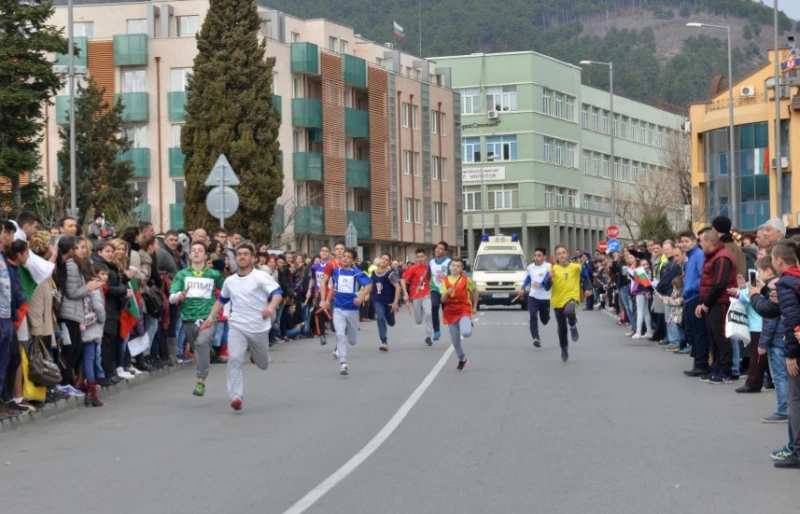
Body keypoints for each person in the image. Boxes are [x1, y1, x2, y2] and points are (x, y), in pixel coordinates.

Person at [203, 243, 282, 411]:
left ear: (252, 258)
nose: (242, 257)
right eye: (239, 254)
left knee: (263, 364)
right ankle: (236, 396)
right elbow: (222, 300)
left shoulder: (260, 276)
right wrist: (211, 316)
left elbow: (277, 293)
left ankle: (257, 355)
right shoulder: (230, 281)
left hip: (259, 328)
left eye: (246, 254)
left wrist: (270, 308)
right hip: (237, 325)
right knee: (235, 359)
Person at [170, 242, 226, 397]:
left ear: (205, 255)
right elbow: (171, 298)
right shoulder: (182, 275)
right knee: (198, 348)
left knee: (201, 343)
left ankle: (201, 381)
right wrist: (179, 296)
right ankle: (210, 353)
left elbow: (227, 290)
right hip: (188, 318)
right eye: (193, 250)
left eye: (199, 250)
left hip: (208, 318)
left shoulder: (213, 274)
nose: (196, 253)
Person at [768, 240, 800, 468]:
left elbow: (791, 320)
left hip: (796, 347)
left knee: (795, 401)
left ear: (779, 260)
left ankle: (797, 451)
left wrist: (791, 355)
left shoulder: (787, 283)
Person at [320, 248, 372, 376]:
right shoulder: (336, 271)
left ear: (353, 260)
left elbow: (369, 285)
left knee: (353, 341)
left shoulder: (357, 273)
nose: (345, 258)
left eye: (348, 257)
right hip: (338, 308)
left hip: (353, 310)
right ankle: (343, 363)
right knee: (340, 334)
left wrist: (360, 297)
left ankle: (350, 334)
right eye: (343, 256)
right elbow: (333, 287)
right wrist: (326, 300)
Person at [695, 229, 737, 384]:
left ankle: (725, 371)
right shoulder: (713, 256)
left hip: (720, 301)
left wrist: (706, 303)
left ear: (708, 242)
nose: (700, 244)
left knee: (721, 337)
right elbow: (707, 282)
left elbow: (719, 283)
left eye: (701, 241)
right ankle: (717, 368)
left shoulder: (722, 257)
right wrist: (702, 302)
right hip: (712, 301)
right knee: (714, 337)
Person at [679, 231, 711, 377]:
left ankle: (701, 365)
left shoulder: (698, 256)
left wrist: (688, 289)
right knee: (693, 333)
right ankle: (698, 363)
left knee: (699, 334)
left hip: (695, 297)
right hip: (689, 298)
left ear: (694, 241)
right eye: (681, 241)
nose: (683, 244)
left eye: (686, 241)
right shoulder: (690, 257)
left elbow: (703, 278)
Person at [441, 256, 478, 371]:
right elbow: (442, 300)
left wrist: (475, 306)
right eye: (453, 265)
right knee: (455, 342)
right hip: (450, 312)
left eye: (458, 266)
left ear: (462, 268)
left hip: (463, 309)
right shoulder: (445, 281)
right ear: (450, 267)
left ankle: (467, 323)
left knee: (466, 332)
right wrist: (446, 293)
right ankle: (462, 359)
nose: (455, 268)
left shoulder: (467, 280)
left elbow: (475, 291)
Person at [550, 244, 581, 362]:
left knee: (569, 311)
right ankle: (564, 347)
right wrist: (549, 278)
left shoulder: (575, 267)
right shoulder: (553, 269)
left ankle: (573, 325)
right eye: (559, 254)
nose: (562, 255)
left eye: (563, 253)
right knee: (562, 328)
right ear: (556, 257)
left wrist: (588, 287)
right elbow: (546, 287)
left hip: (572, 297)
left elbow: (585, 276)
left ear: (567, 254)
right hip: (557, 301)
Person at [517, 247, 551, 348]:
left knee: (544, 320)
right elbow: (528, 278)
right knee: (532, 315)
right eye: (535, 255)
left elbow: (548, 279)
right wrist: (523, 288)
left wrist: (541, 285)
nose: (536, 257)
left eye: (539, 255)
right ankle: (535, 337)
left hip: (545, 298)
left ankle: (546, 316)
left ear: (544, 257)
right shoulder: (530, 267)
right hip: (533, 297)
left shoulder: (549, 266)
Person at [401, 248, 434, 346]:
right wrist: (405, 293)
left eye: (422, 257)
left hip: (427, 294)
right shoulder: (412, 268)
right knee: (419, 320)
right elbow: (403, 280)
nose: (420, 259)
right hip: (415, 296)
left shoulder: (429, 268)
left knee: (428, 313)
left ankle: (428, 336)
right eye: (418, 257)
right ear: (416, 258)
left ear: (425, 257)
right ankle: (422, 312)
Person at [370, 253, 401, 352]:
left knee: (391, 322)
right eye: (382, 258)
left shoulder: (390, 273)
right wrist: (365, 295)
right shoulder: (374, 273)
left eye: (386, 260)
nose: (383, 261)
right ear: (380, 260)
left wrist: (395, 302)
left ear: (389, 262)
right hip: (377, 300)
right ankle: (384, 342)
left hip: (389, 302)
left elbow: (398, 287)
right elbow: (371, 285)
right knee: (380, 318)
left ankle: (391, 319)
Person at [428, 241, 452, 342]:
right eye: (437, 248)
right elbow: (428, 273)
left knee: (446, 311)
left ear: (445, 252)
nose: (438, 250)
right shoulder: (431, 262)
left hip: (445, 290)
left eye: (441, 249)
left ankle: (453, 329)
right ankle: (436, 330)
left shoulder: (449, 262)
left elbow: (452, 276)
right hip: (434, 288)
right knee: (434, 306)